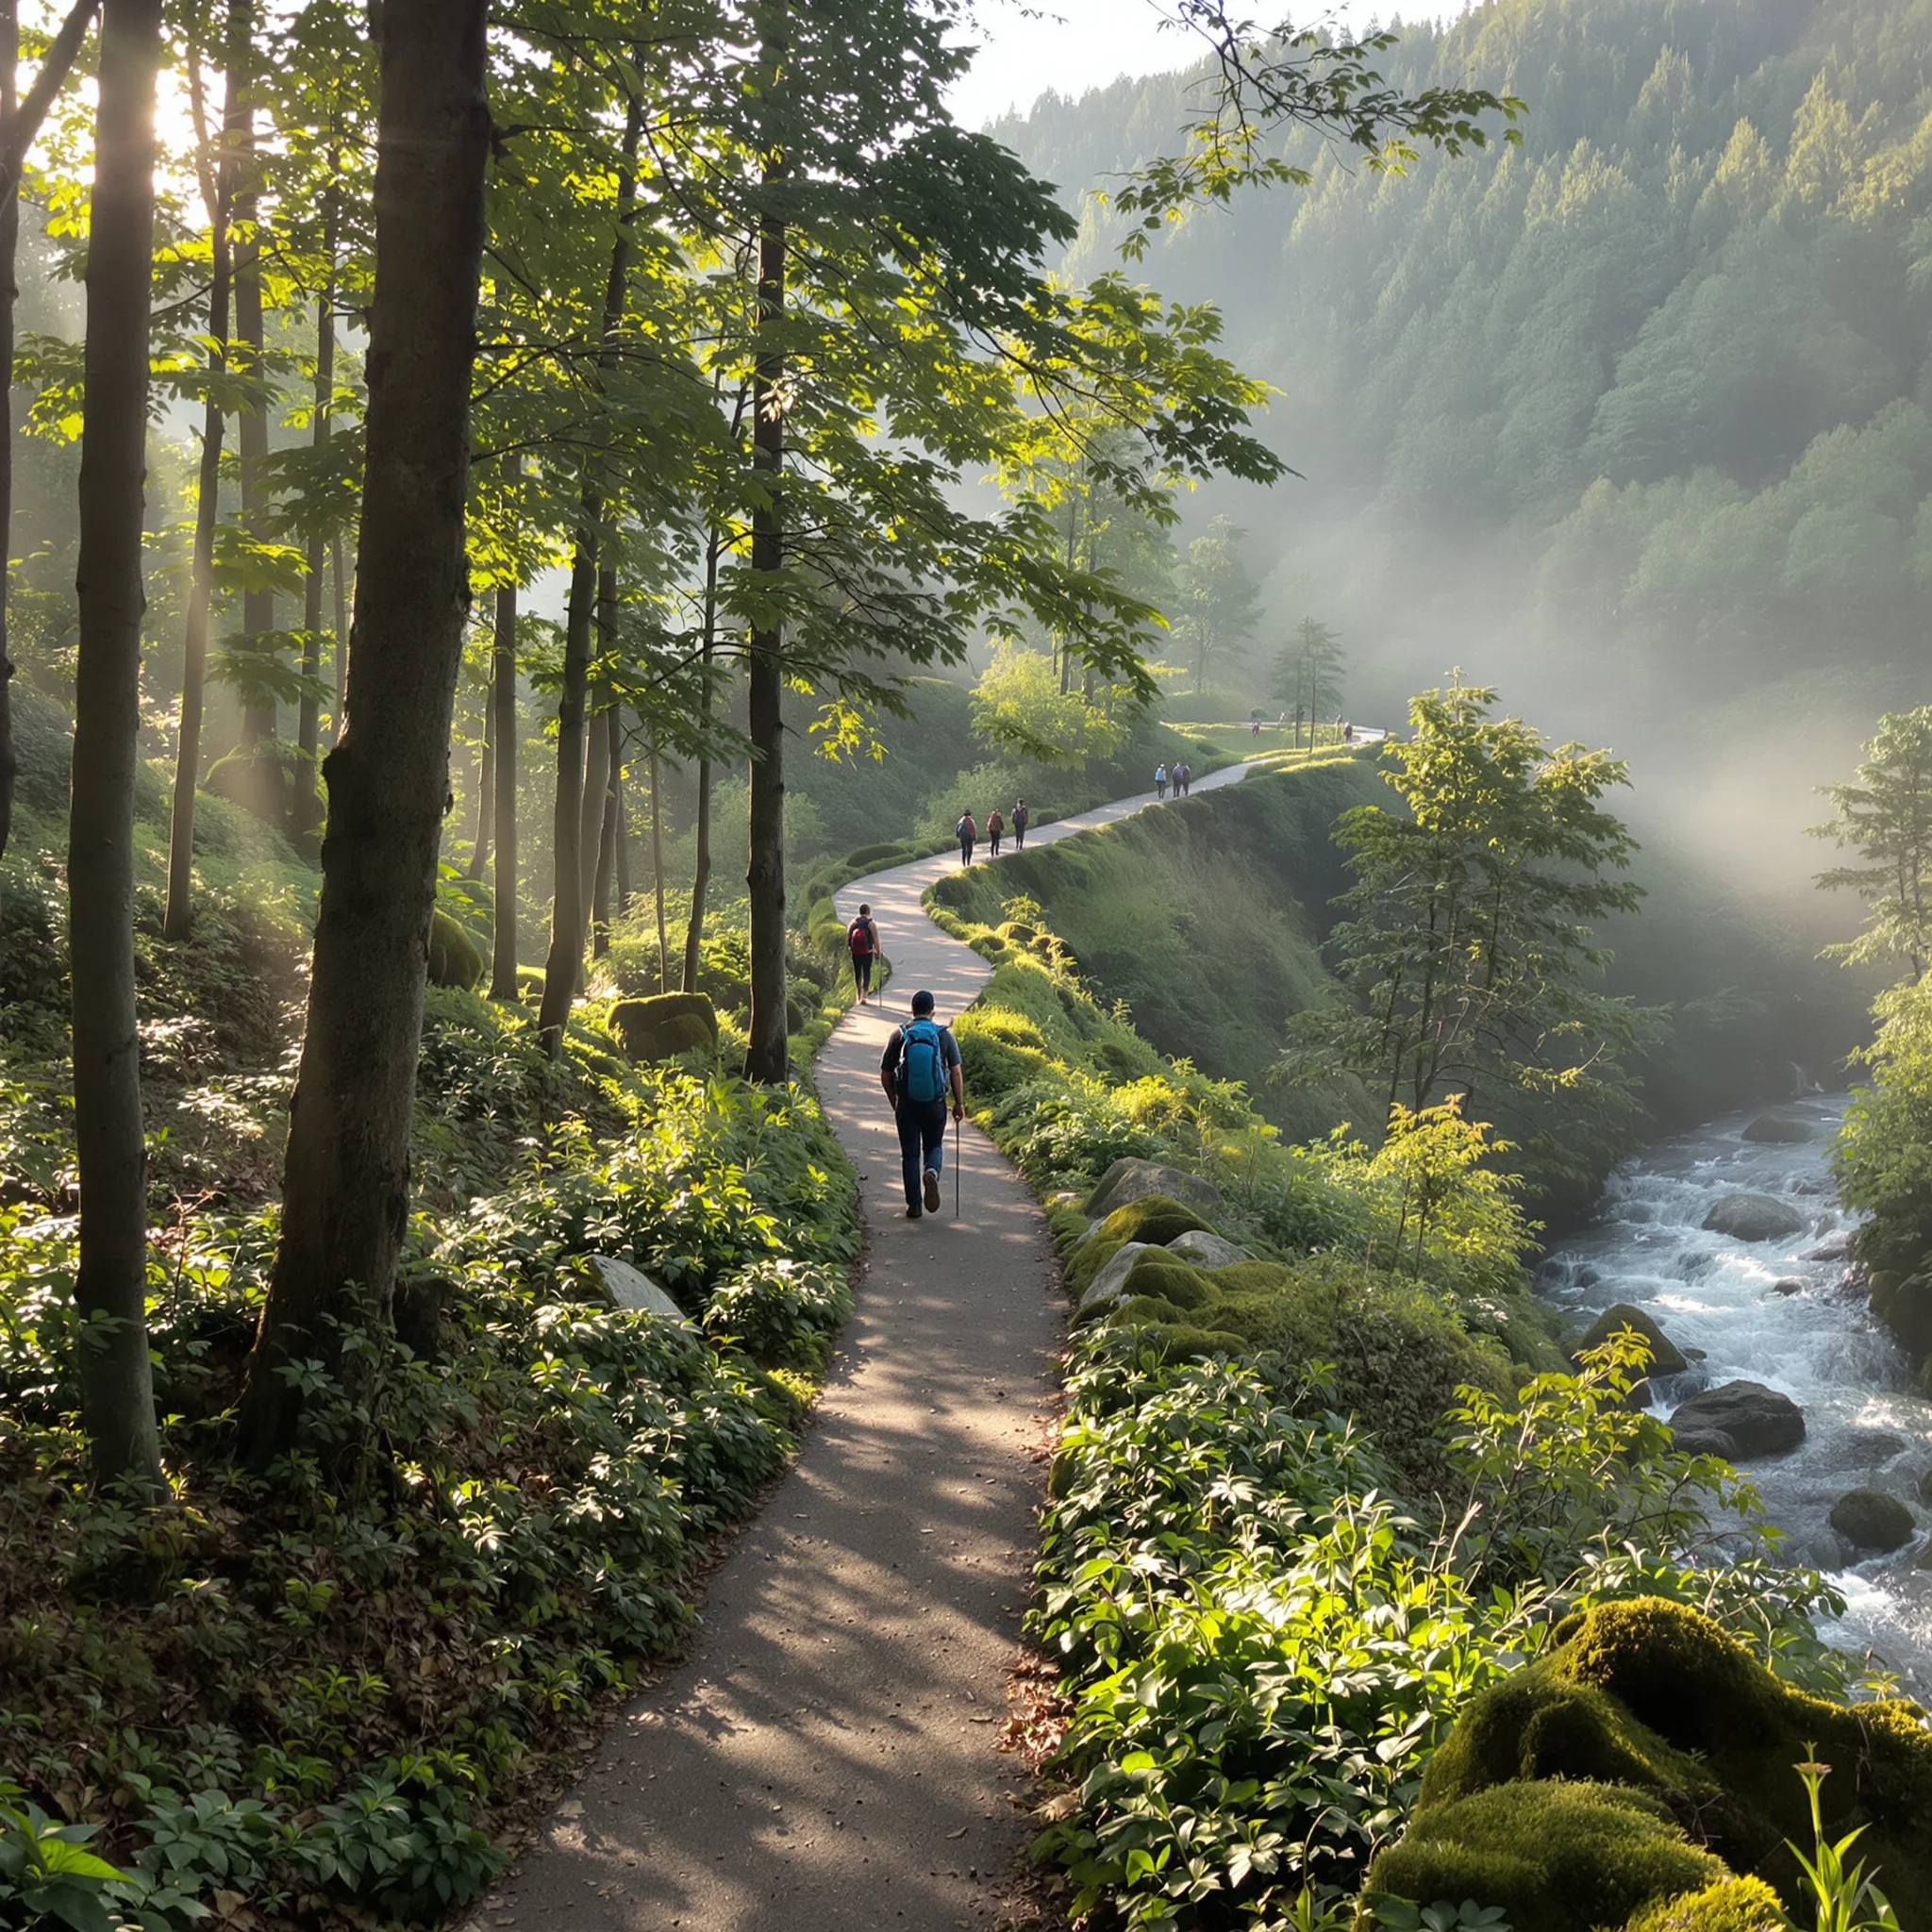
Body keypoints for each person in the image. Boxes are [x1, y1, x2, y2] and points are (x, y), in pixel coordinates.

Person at [879, 989, 964, 1220]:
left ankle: (914, 1206)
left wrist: (894, 1100)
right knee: (934, 1145)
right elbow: (955, 1072)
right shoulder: (943, 1036)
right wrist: (959, 1103)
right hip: (935, 1104)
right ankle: (932, 1172)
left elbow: (886, 1074)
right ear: (933, 1010)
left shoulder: (900, 1035)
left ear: (912, 1010)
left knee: (909, 1154)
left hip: (906, 1104)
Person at [846, 902, 880, 1006]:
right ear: (868, 912)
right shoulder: (871, 924)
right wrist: (877, 952)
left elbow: (848, 937)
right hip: (867, 952)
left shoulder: (853, 923)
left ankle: (858, 994)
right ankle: (864, 996)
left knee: (857, 972)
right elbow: (876, 939)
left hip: (855, 952)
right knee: (866, 972)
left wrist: (850, 949)